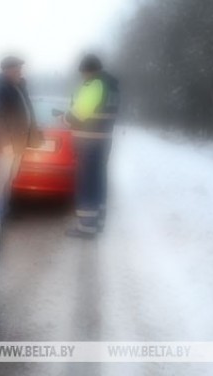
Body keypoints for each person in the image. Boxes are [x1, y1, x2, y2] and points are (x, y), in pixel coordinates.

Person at [62, 54, 120, 239]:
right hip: (103, 140)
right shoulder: (111, 86)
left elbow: (80, 113)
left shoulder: (94, 84)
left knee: (86, 183)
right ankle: (97, 222)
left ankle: (86, 227)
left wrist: (64, 118)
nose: (82, 77)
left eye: (83, 73)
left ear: (88, 71)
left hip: (89, 142)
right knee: (98, 181)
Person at [0, 56, 36, 213]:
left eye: (20, 68)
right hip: (7, 145)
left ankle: (3, 209)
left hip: (17, 143)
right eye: (17, 69)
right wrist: (5, 143)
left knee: (10, 178)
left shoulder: (16, 86)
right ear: (7, 70)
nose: (20, 72)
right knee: (1, 179)